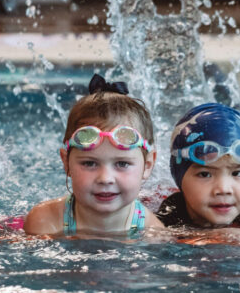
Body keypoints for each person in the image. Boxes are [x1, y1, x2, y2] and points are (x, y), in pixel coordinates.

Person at [23, 74, 164, 236]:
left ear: (147, 166)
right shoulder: (46, 222)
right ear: (66, 163)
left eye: (122, 164)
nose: (105, 178)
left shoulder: (153, 233)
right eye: (90, 163)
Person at [156, 103, 240, 229]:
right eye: (205, 174)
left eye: (237, 173)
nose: (224, 189)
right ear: (179, 179)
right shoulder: (169, 214)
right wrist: (212, 238)